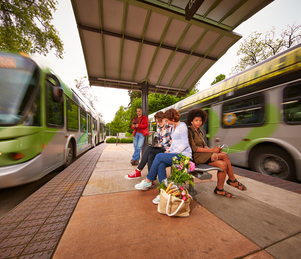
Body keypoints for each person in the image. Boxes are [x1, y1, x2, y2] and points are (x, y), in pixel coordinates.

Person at [134, 108, 192, 205]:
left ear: (172, 119)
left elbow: (185, 144)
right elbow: (174, 144)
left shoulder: (182, 126)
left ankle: (149, 179)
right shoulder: (174, 127)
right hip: (175, 153)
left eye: (168, 120)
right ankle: (163, 192)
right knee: (160, 164)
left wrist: (173, 152)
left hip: (184, 155)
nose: (167, 122)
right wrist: (169, 151)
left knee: (159, 156)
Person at [186, 108, 247, 198]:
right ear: (191, 121)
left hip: (204, 155)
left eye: (200, 120)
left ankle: (219, 189)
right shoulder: (189, 131)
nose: (199, 122)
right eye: (196, 120)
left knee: (223, 165)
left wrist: (214, 149)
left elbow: (204, 146)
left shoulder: (200, 132)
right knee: (225, 155)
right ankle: (232, 180)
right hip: (196, 157)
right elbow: (195, 149)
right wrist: (212, 151)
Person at [125, 111, 172, 180]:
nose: (159, 123)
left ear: (164, 119)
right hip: (162, 149)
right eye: (157, 122)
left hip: (168, 151)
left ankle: (138, 170)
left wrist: (168, 150)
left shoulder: (170, 128)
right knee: (150, 155)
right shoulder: (158, 129)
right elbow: (160, 143)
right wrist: (158, 146)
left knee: (149, 149)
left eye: (160, 121)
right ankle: (151, 179)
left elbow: (173, 143)